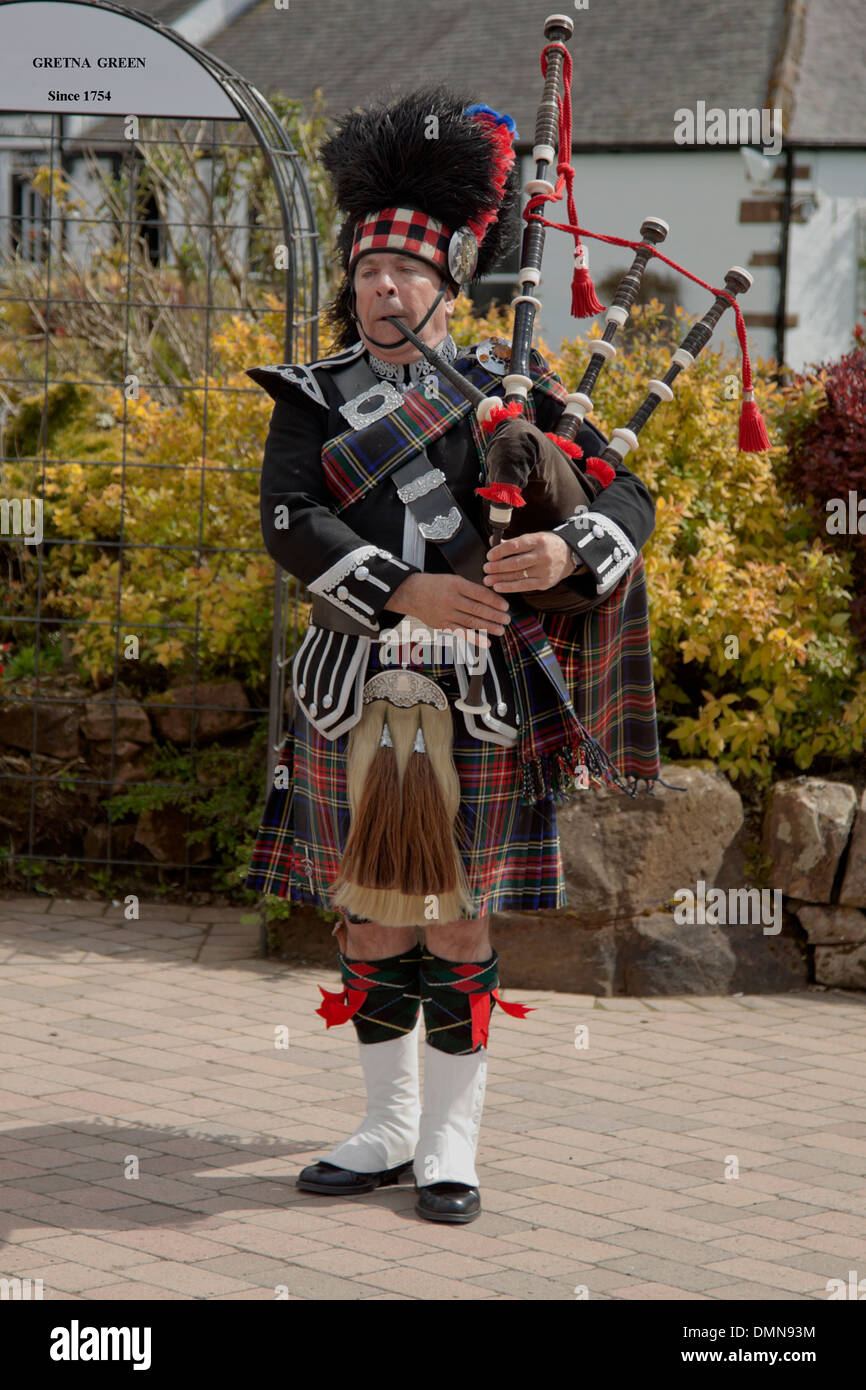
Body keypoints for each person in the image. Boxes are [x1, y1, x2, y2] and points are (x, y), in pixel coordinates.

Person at [245, 85, 660, 1223]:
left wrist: (563, 550)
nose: (383, 288)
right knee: (373, 914)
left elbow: (635, 495)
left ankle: (449, 1141)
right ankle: (381, 1123)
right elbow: (288, 522)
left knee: (460, 917)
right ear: (353, 286)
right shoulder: (311, 398)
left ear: (444, 286)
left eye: (405, 274)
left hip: (479, 697)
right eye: (368, 273)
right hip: (356, 688)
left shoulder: (508, 391)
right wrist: (406, 586)